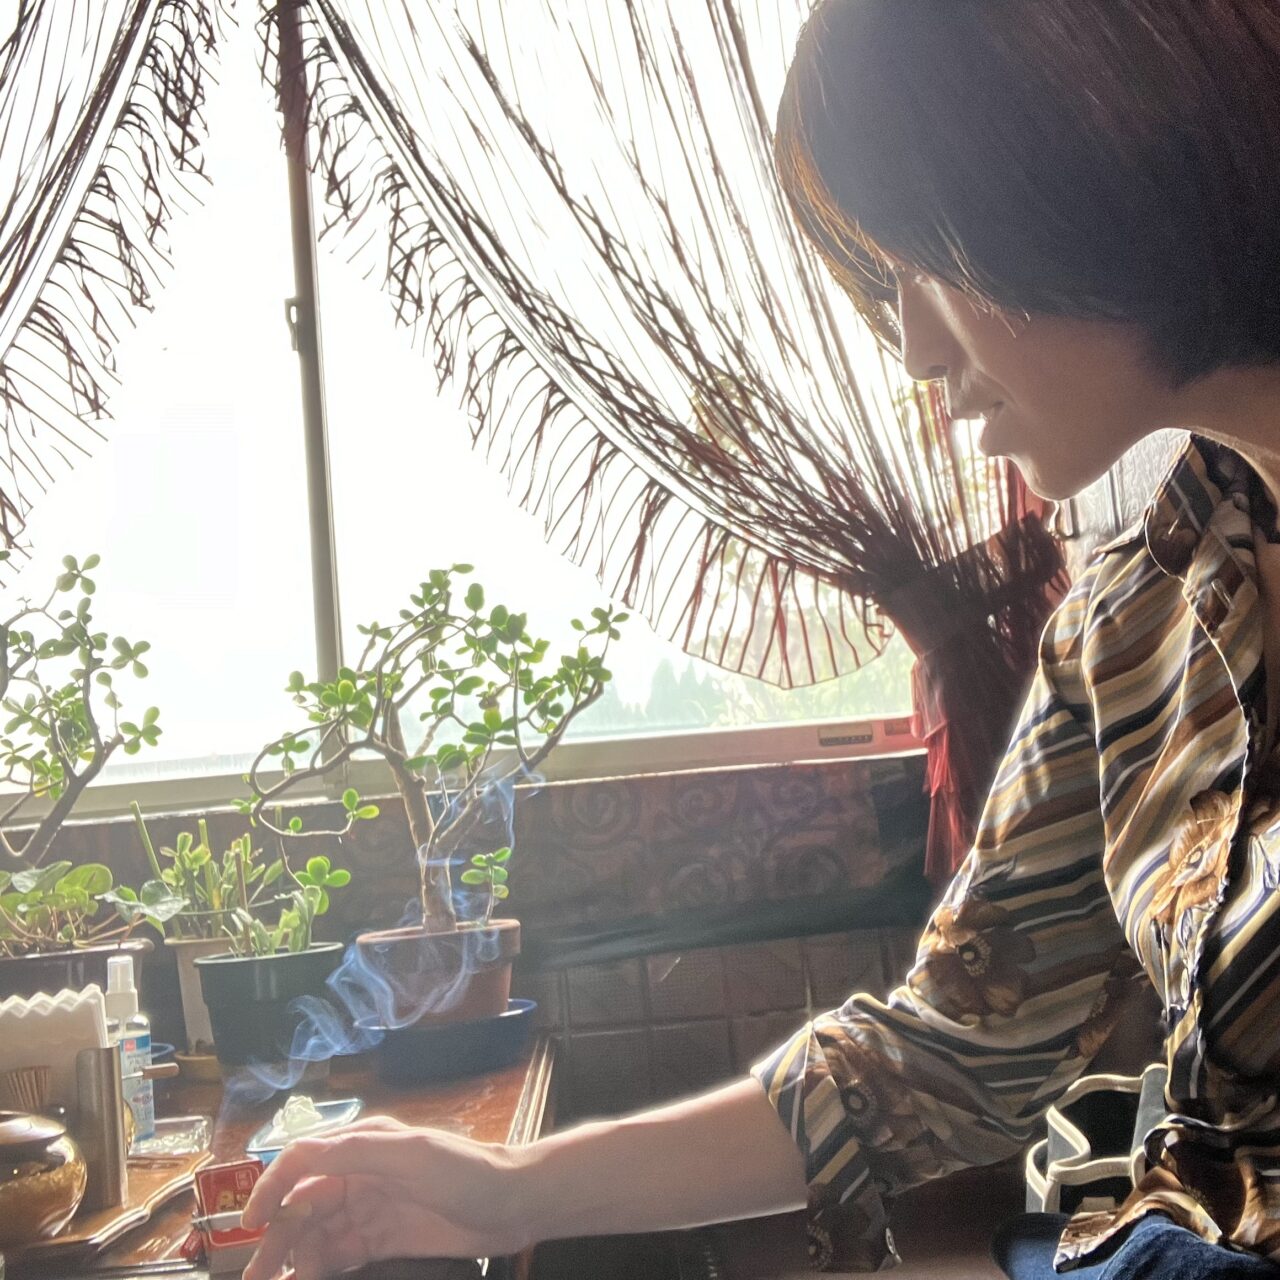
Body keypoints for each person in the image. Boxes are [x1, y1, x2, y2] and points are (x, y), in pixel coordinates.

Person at [242, 2, 1280, 1276]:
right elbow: (943, 1046)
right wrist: (506, 1193)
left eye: (926, 256)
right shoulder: (1133, 621)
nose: (912, 345)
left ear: (1095, 164)